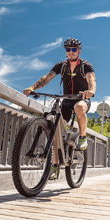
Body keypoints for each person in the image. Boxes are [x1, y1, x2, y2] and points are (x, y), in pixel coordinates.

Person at [23, 37, 96, 179]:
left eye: (74, 49)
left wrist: (90, 91)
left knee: (80, 107)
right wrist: (32, 87)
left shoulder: (86, 66)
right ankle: (55, 166)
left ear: (79, 51)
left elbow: (91, 80)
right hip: (66, 101)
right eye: (68, 49)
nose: (71, 52)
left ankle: (82, 137)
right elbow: (47, 78)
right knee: (55, 130)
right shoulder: (61, 66)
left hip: (81, 99)